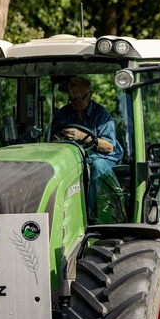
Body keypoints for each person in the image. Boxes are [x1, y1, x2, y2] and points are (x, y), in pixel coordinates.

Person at [51, 76, 123, 221]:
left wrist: (81, 136)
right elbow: (52, 139)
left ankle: (94, 215)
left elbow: (108, 146)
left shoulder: (102, 114)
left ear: (89, 95)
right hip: (74, 157)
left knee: (97, 166)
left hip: (102, 157)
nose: (76, 102)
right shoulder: (63, 114)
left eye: (80, 98)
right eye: (72, 98)